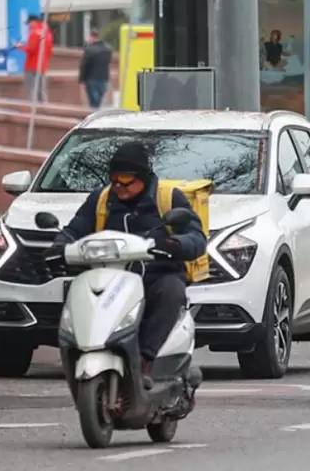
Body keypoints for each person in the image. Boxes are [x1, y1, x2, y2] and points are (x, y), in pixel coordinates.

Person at [44, 142, 206, 385]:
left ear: (143, 177)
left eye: (126, 179)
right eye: (114, 179)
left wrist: (174, 244)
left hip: (156, 276)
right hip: (110, 277)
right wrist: (59, 246)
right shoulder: (100, 199)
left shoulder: (168, 198)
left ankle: (145, 361)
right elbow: (74, 229)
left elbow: (196, 238)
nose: (118, 185)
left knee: (171, 290)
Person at [17, 14, 53, 102]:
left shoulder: (34, 32)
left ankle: (32, 110)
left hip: (31, 65)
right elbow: (50, 51)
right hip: (42, 65)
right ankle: (44, 109)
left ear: (33, 22)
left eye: (29, 23)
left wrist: (20, 46)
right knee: (41, 90)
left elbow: (31, 49)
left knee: (31, 89)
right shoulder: (47, 33)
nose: (28, 26)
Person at [78, 30, 112, 109]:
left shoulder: (89, 50)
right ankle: (97, 113)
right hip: (104, 79)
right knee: (99, 101)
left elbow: (84, 65)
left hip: (91, 79)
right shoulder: (108, 49)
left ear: (92, 37)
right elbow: (108, 63)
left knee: (93, 103)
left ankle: (94, 117)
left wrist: (81, 79)